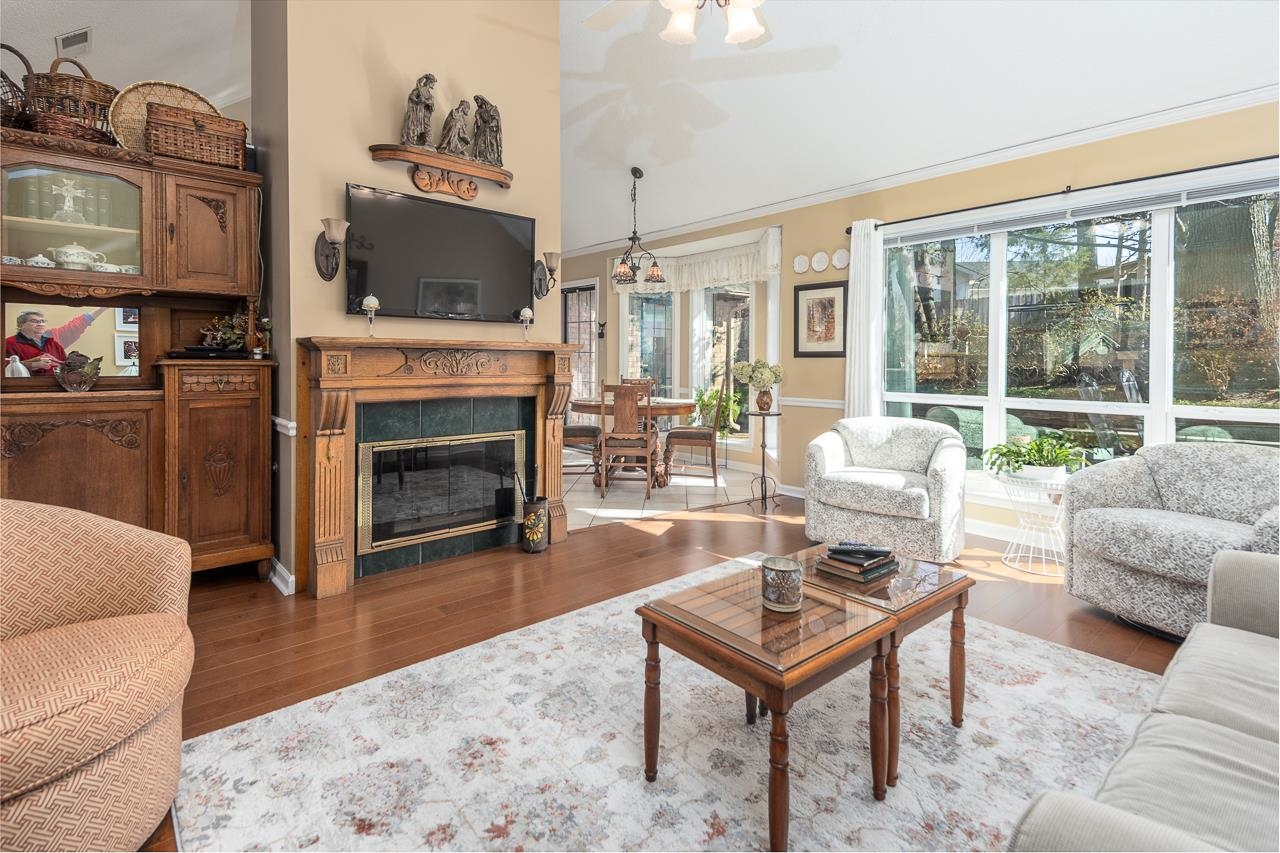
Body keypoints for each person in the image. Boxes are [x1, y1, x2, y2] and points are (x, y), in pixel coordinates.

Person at [3, 306, 108, 375]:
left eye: (42, 321)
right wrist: (32, 364)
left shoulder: (53, 339)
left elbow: (77, 325)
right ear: (21, 325)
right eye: (34, 321)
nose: (40, 324)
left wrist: (102, 308)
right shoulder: (8, 343)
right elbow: (6, 371)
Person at [399, 73, 437, 149]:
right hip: (417, 112)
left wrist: (426, 101)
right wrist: (417, 100)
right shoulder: (419, 90)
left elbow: (432, 106)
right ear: (430, 82)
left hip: (425, 115)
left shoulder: (430, 95)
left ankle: (427, 142)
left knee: (427, 128)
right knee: (415, 126)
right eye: (433, 83)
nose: (434, 85)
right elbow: (411, 96)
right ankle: (412, 140)